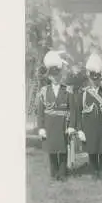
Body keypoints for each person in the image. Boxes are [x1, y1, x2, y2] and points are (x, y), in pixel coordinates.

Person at [37, 50, 76, 181]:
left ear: (60, 75)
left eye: (57, 75)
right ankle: (54, 173)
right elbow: (40, 111)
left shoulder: (67, 90)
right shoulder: (44, 91)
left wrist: (71, 126)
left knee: (63, 149)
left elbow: (73, 110)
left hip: (62, 124)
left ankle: (63, 172)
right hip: (49, 124)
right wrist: (41, 127)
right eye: (53, 76)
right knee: (52, 149)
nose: (55, 78)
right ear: (49, 77)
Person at [75, 53, 102, 180]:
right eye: (93, 79)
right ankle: (94, 170)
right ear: (90, 79)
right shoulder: (83, 94)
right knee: (92, 150)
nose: (95, 81)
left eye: (97, 79)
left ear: (100, 79)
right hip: (89, 128)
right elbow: (79, 113)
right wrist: (80, 130)